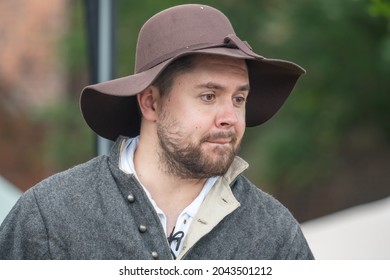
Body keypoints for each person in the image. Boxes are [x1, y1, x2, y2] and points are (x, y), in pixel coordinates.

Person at [0, 4, 314, 260]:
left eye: (239, 99)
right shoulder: (48, 219)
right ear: (151, 103)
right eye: (208, 96)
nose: (230, 117)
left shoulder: (274, 236)